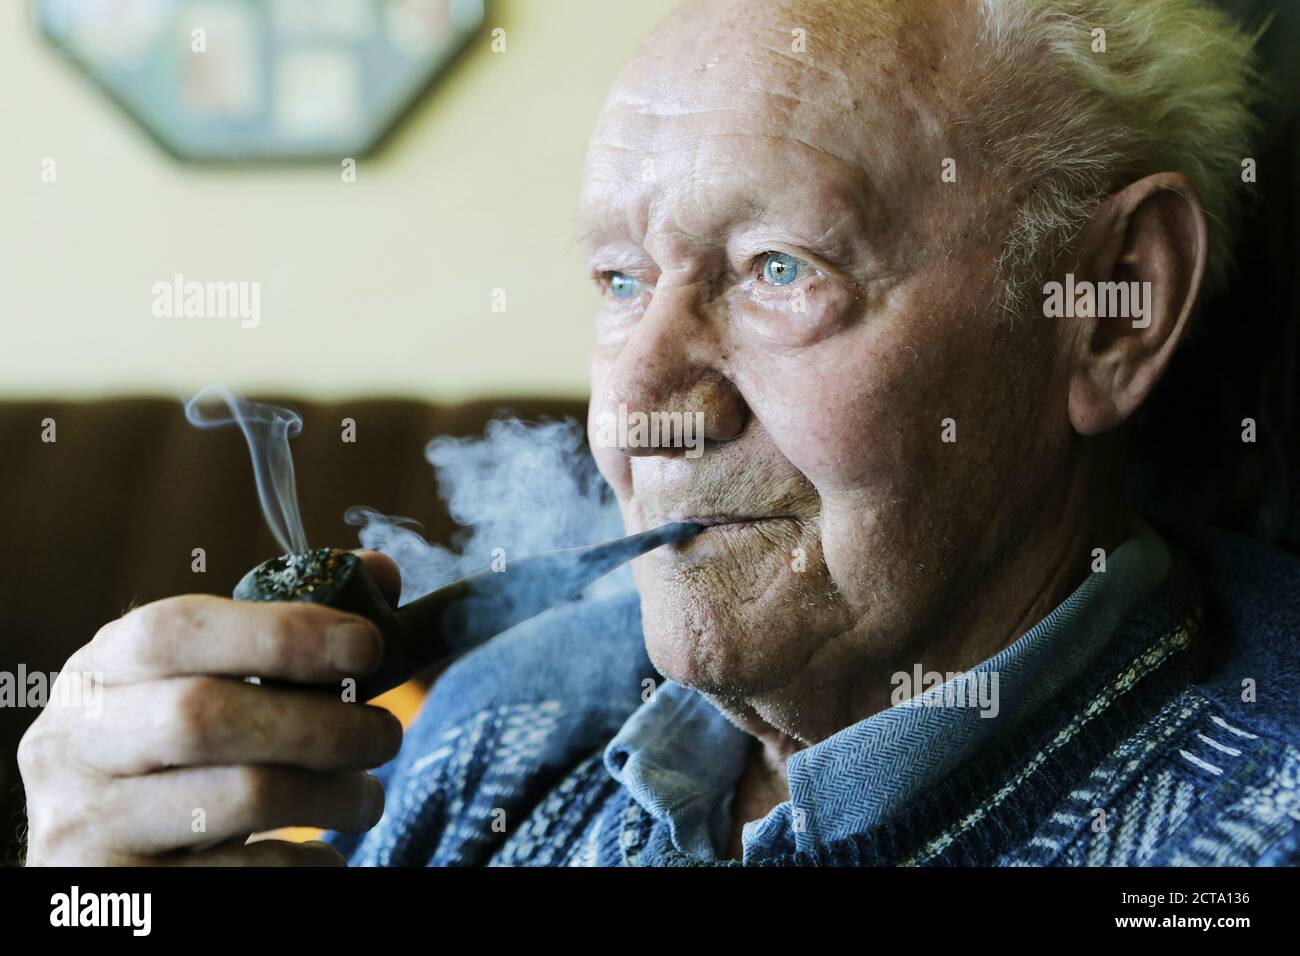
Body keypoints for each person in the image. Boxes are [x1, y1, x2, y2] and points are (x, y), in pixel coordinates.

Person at [20, 0, 1299, 866]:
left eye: (776, 267)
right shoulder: (500, 719)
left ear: (1111, 309)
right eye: (620, 281)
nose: (631, 409)